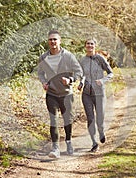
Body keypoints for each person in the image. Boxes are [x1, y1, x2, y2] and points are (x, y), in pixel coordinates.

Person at [37, 30, 83, 158]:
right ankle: (55, 148)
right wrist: (44, 82)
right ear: (48, 42)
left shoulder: (68, 56)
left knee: (67, 120)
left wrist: (71, 80)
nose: (52, 42)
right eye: (50, 39)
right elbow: (40, 73)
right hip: (51, 94)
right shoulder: (43, 57)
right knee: (53, 120)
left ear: (59, 41)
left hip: (66, 94)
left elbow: (79, 71)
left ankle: (68, 142)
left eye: (55, 39)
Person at [78, 38, 114, 152]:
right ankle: (94, 143)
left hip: (99, 93)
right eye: (87, 44)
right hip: (86, 93)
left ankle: (101, 131)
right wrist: (81, 82)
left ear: (95, 46)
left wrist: (102, 80)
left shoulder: (100, 58)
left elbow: (111, 73)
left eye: (91, 44)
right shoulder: (82, 60)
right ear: (85, 46)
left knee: (100, 118)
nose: (89, 45)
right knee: (90, 118)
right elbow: (82, 74)